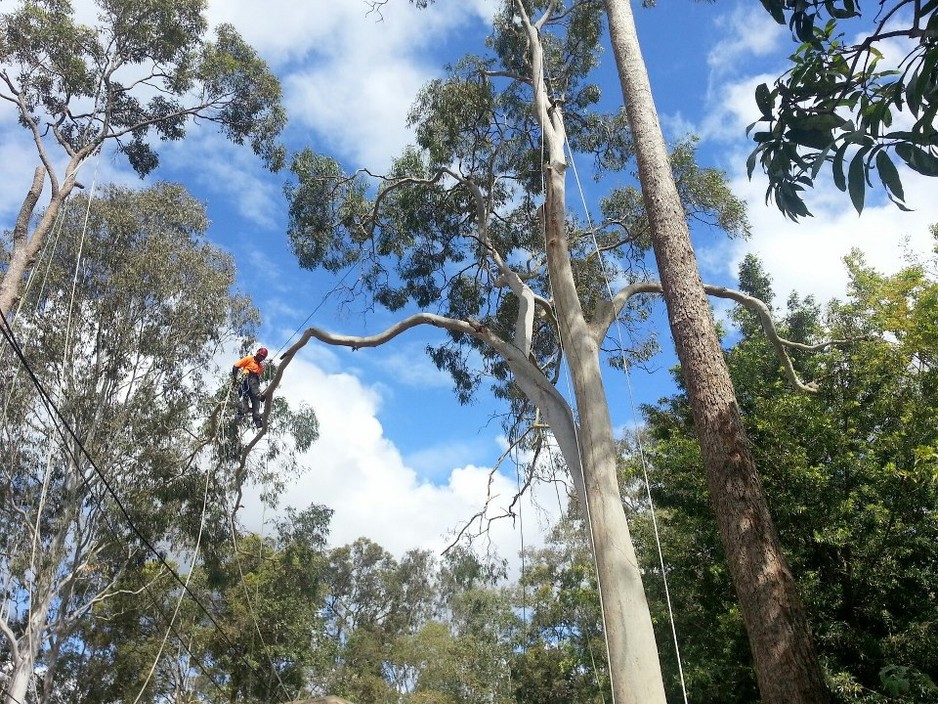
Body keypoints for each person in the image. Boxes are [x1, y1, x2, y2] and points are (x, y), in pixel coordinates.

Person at [232, 346, 268, 428]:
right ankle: (239, 414)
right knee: (252, 383)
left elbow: (256, 381)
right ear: (257, 353)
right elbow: (235, 366)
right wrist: (235, 379)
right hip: (246, 380)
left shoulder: (260, 367)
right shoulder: (249, 358)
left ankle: (257, 420)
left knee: (256, 403)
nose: (261, 358)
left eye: (263, 357)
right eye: (260, 356)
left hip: (254, 385)